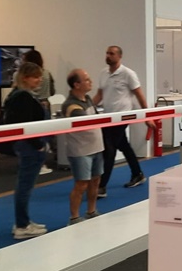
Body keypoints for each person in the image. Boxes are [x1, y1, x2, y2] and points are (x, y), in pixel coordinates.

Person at [93, 46, 152, 198]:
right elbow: (99, 95)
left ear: (119, 56)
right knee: (123, 145)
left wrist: (147, 117)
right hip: (108, 117)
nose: (108, 56)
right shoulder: (103, 73)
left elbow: (139, 95)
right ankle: (137, 173)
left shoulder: (128, 74)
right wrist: (87, 109)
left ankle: (101, 186)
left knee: (109, 149)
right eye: (107, 53)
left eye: (111, 53)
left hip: (123, 116)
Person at [4, 62, 48, 239]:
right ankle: (22, 225)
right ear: (25, 78)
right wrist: (38, 145)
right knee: (25, 186)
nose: (39, 80)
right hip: (29, 146)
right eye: (35, 77)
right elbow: (26, 126)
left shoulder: (19, 95)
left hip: (27, 145)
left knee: (25, 185)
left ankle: (23, 221)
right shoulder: (23, 97)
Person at [63, 69, 104, 225]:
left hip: (96, 147)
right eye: (86, 79)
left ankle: (91, 211)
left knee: (95, 181)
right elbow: (89, 122)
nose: (90, 81)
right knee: (81, 184)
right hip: (80, 150)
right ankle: (74, 217)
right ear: (77, 85)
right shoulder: (70, 105)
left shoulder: (87, 99)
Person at [21, 49, 56, 174]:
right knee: (43, 136)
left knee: (31, 136)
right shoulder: (47, 73)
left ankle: (34, 163)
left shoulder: (24, 77)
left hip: (32, 106)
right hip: (45, 105)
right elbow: (52, 91)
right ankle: (41, 162)